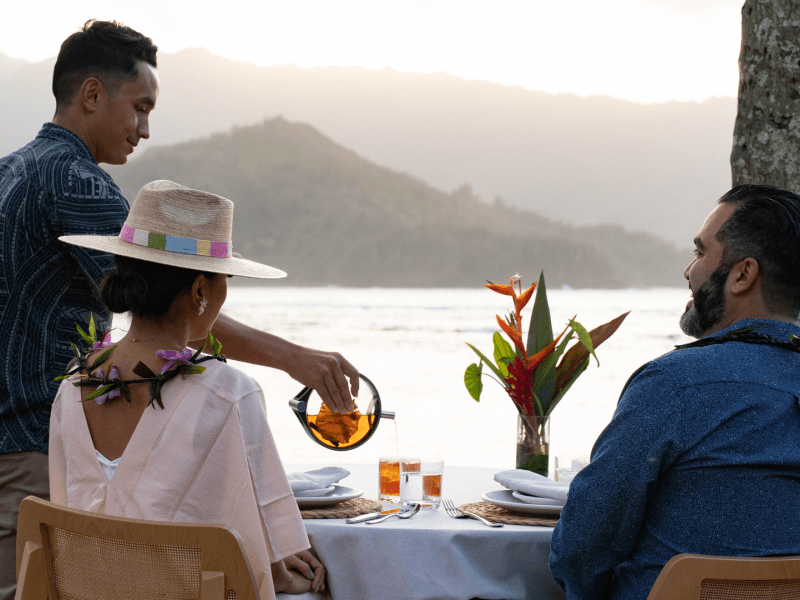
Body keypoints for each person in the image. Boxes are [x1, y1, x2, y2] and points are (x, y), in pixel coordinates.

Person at [0, 20, 356, 598]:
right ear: (92, 94)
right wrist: (296, 358)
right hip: (32, 456)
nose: (144, 129)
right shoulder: (75, 182)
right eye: (140, 107)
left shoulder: (8, 170)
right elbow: (163, 302)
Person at [50, 180, 325, 598]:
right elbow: (257, 546)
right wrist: (282, 571)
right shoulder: (229, 393)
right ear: (200, 290)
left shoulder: (74, 386)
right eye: (223, 279)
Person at [549, 184, 800, 599]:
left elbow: (581, 551)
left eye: (700, 253)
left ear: (742, 275)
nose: (688, 271)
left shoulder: (675, 386)